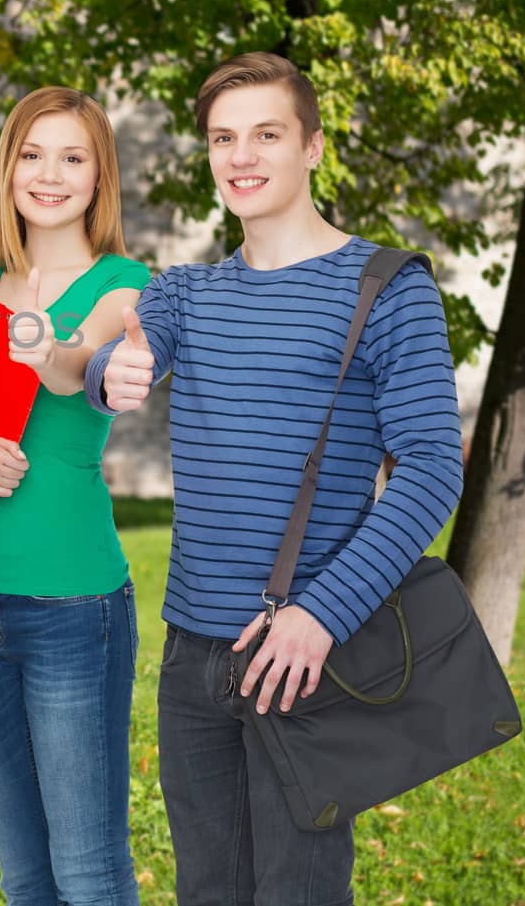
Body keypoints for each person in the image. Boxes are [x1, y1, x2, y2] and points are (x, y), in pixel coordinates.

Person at [85, 53, 464, 906]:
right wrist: (115, 371)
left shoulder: (388, 287)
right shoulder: (189, 293)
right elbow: (121, 356)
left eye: (266, 133)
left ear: (313, 147)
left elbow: (433, 469)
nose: (241, 156)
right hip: (192, 658)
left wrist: (320, 616)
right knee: (207, 891)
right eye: (223, 138)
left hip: (308, 656)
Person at [0, 86, 149, 906]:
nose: (49, 174)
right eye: (32, 154)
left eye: (72, 156)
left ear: (100, 175)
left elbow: (75, 369)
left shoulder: (127, 285)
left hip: (73, 604)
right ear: (7, 169)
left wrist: (31, 334)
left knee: (89, 870)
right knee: (25, 874)